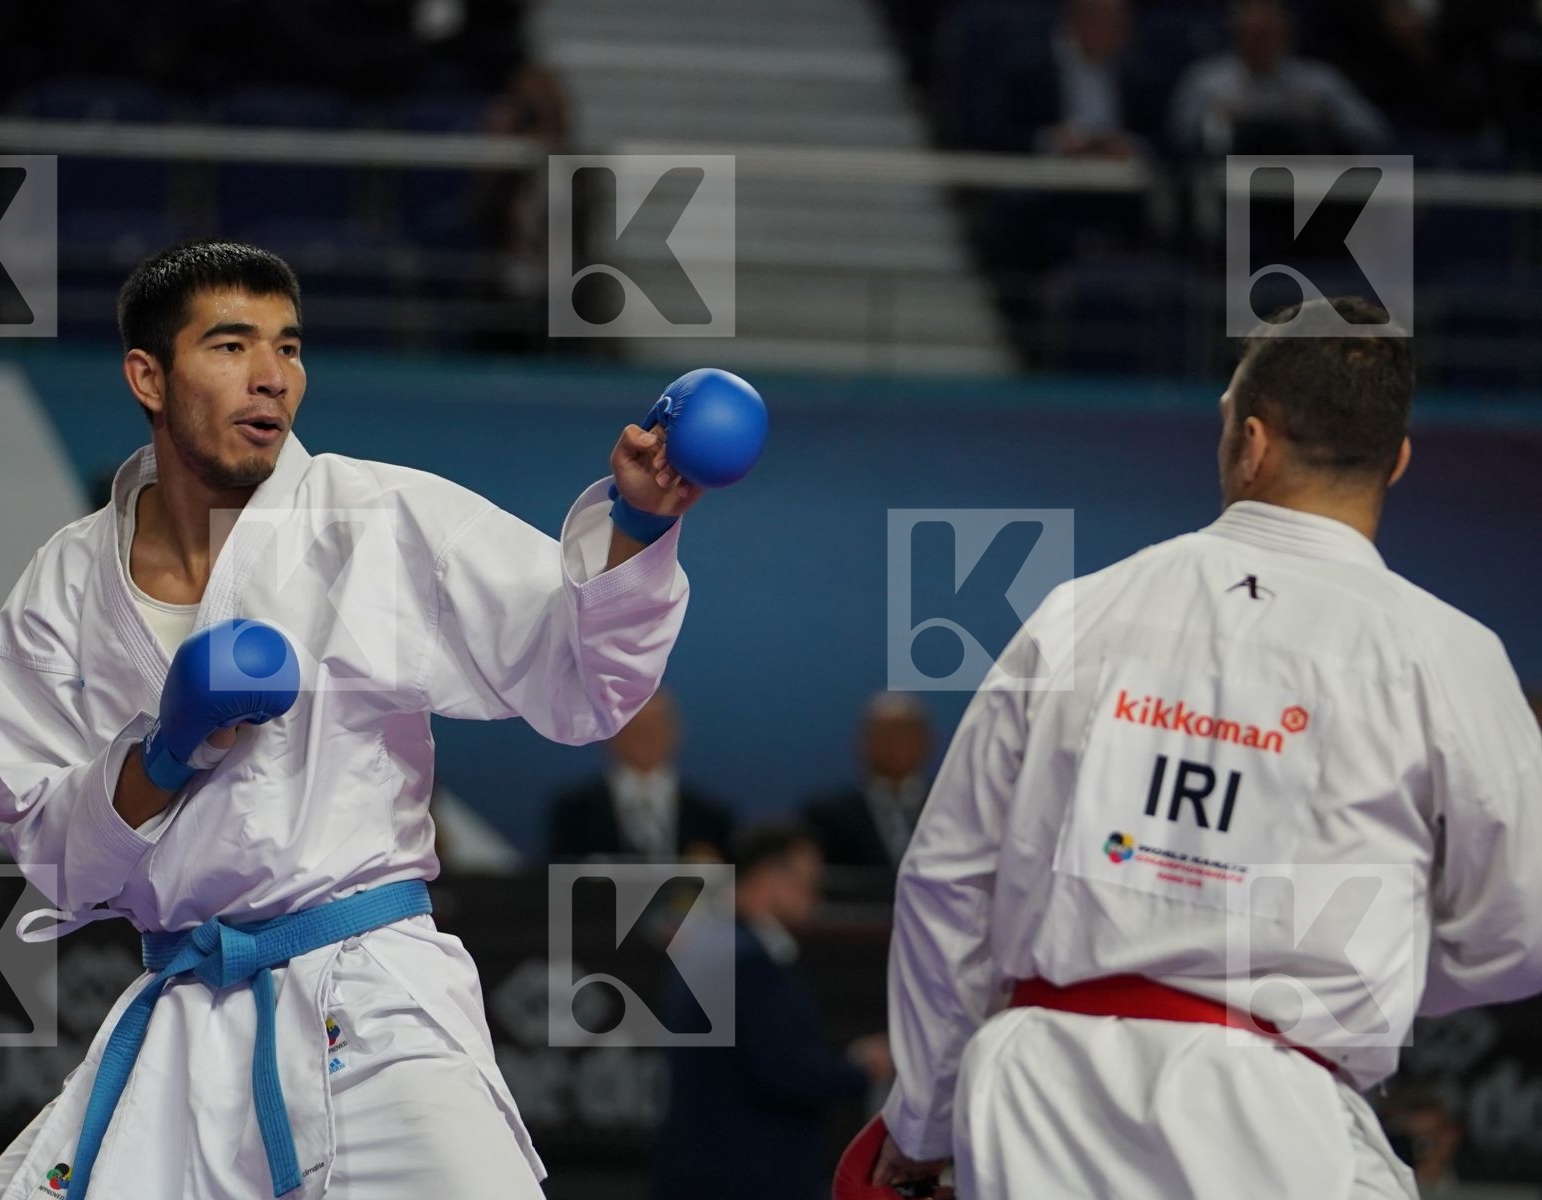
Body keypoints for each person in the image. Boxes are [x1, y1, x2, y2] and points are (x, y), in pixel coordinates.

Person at [0, 238, 700, 1200]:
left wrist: (637, 527)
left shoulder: (378, 520)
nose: (271, 377)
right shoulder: (62, 587)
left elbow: (575, 680)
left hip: (375, 994)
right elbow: (53, 859)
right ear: (148, 375)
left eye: (290, 346)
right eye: (231, 347)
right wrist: (163, 753)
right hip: (186, 1007)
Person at [869, 296, 1542, 1199]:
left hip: (1037, 1104)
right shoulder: (1448, 657)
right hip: (1277, 1112)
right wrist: (1372, 959)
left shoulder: (1079, 616)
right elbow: (1522, 927)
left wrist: (925, 1118)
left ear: (1250, 443)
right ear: (1400, 462)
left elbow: (948, 881)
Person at [652, 822, 892, 1200]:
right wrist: (863, 1067)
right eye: (806, 881)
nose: (815, 894)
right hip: (745, 1180)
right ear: (766, 879)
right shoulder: (746, 962)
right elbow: (783, 1069)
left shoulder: (708, 946)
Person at [1169, 0, 1393, 155]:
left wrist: (1327, 113)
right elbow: (1178, 136)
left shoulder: (1318, 82)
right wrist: (1214, 116)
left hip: (1310, 196)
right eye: (1253, 33)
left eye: (1267, 32)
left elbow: (1373, 131)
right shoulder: (1207, 81)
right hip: (1230, 192)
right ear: (1237, 32)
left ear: (1285, 31)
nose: (1261, 42)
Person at [546, 687, 734, 863]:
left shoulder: (711, 818)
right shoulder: (574, 812)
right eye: (633, 726)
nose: (644, 736)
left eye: (654, 724)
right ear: (610, 734)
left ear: (675, 731)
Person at [1004, 0, 1157, 159]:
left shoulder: (1140, 75)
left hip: (1122, 178)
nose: (1117, 33)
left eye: (1120, 25)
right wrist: (1050, 141)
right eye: (1103, 22)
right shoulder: (1028, 69)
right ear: (1076, 20)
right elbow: (997, 134)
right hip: (1046, 175)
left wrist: (1130, 146)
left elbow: (1161, 139)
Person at [802, 692, 935, 872]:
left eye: (904, 733)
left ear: (926, 742)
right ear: (863, 743)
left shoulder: (953, 808)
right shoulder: (828, 817)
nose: (895, 745)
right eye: (885, 735)